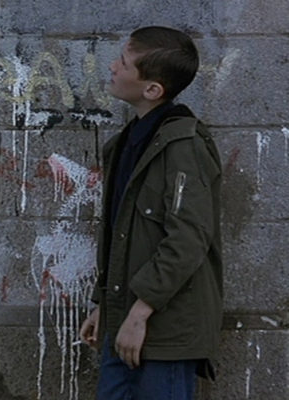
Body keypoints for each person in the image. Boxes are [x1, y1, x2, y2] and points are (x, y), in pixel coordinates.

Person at [79, 26, 223, 400]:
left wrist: (140, 313)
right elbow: (121, 233)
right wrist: (105, 308)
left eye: (123, 63)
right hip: (123, 324)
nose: (112, 66)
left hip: (163, 332)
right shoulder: (128, 142)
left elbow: (188, 238)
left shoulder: (183, 146)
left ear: (152, 90)